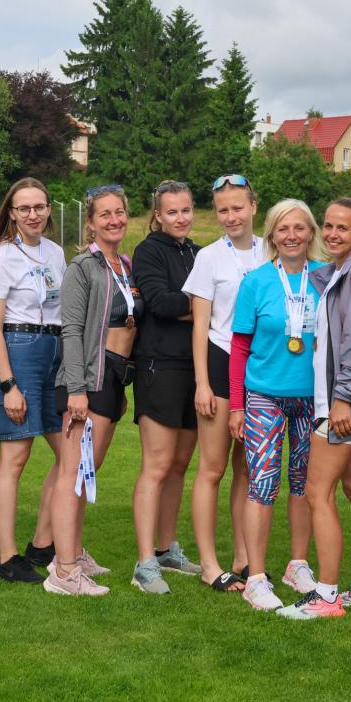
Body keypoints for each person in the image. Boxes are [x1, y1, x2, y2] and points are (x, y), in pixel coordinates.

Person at [278, 199, 351, 621]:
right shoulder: (340, 273)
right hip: (339, 401)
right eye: (328, 226)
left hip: (341, 405)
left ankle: (326, 596)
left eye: (342, 228)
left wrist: (343, 399)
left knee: (318, 493)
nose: (332, 234)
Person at [42, 184, 140, 596]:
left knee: (86, 473)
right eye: (105, 214)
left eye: (119, 212)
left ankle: (73, 553)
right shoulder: (82, 266)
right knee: (73, 474)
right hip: (87, 380)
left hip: (113, 379)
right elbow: (71, 329)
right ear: (91, 223)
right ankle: (63, 572)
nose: (114, 220)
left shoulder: (125, 265)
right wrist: (77, 389)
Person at [229, 198, 323, 612]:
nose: (291, 236)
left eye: (299, 228)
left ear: (311, 233)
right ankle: (255, 577)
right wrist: (236, 406)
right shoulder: (256, 281)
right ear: (271, 235)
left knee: (304, 482)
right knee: (263, 482)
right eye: (283, 228)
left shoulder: (325, 277)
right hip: (264, 394)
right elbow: (239, 347)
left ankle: (297, 565)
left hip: (313, 397)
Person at [0, 178, 68, 584]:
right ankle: (7, 557)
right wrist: (8, 385)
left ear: (49, 209)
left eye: (39, 207)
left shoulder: (56, 252)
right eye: (24, 208)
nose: (33, 214)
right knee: (15, 458)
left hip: (54, 351)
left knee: (69, 455)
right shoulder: (1, 257)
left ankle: (42, 544)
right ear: (12, 214)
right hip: (18, 350)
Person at [183, 174, 261, 591]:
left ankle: (244, 558)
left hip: (260, 368)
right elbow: (200, 326)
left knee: (247, 468)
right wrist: (202, 383)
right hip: (219, 362)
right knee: (212, 468)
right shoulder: (209, 257)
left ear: (253, 206)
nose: (231, 216)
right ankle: (210, 564)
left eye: (237, 208)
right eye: (222, 210)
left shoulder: (271, 250)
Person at [129, 181, 203, 594]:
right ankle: (144, 563)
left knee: (179, 465)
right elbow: (161, 303)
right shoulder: (148, 251)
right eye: (171, 212)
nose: (180, 218)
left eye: (186, 210)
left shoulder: (198, 253)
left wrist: (192, 307)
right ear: (157, 215)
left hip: (196, 369)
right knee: (156, 466)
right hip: (159, 368)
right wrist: (203, 307)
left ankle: (166, 548)